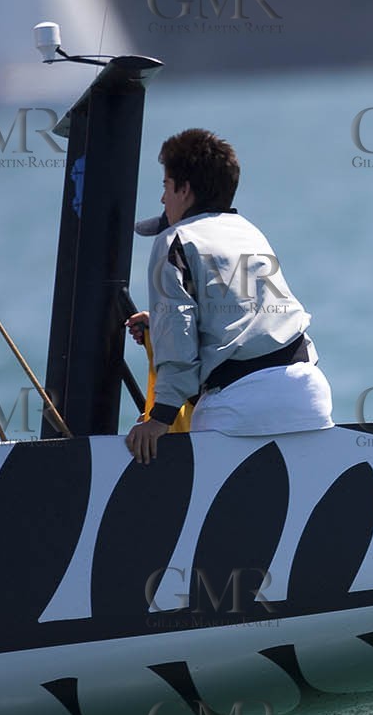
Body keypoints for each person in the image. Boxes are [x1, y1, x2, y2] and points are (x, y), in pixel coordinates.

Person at [125, 129, 332, 464]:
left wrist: (159, 419)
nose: (163, 199)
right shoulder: (247, 230)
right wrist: (158, 321)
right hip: (307, 391)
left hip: (240, 406)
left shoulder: (173, 240)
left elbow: (178, 341)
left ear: (184, 188)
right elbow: (249, 314)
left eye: (165, 185)